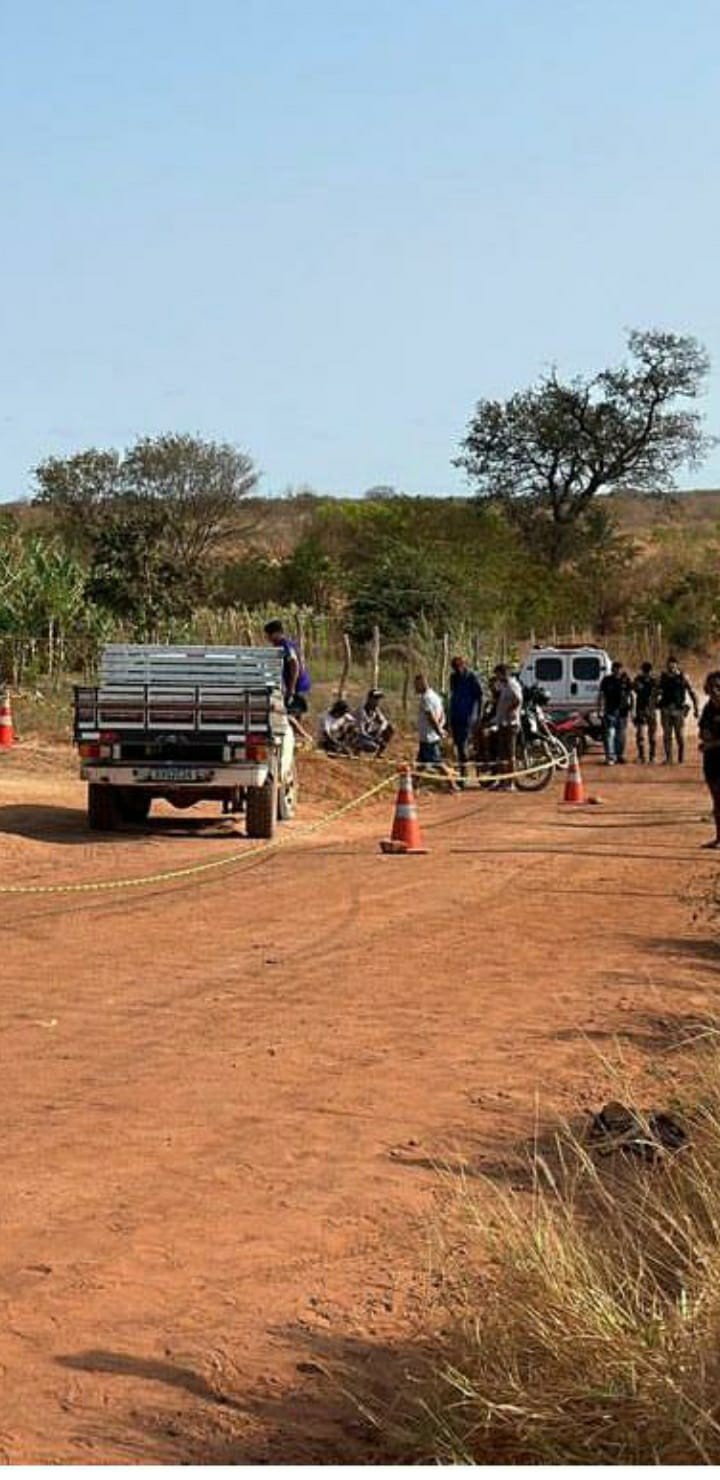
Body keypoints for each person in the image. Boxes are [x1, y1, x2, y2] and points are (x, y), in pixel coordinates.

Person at [264, 619, 313, 740]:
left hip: (298, 685)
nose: (267, 638)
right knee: (293, 714)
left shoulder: (285, 645)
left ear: (277, 633)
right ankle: (299, 739)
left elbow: (294, 665)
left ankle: (306, 737)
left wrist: (291, 689)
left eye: (269, 635)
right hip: (296, 684)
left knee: (288, 713)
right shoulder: (282, 645)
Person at [414, 672, 457, 789]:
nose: (415, 687)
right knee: (421, 764)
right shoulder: (435, 696)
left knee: (437, 762)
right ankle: (413, 785)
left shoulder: (426, 698)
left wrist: (438, 730)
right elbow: (442, 714)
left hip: (429, 737)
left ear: (422, 683)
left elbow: (431, 717)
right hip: (428, 735)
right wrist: (441, 728)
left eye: (416, 685)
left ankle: (452, 783)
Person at [657, 655, 699, 764]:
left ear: (677, 665)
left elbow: (692, 693)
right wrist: (652, 706)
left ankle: (681, 758)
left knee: (679, 735)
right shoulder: (662, 677)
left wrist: (696, 708)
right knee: (667, 735)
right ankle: (669, 758)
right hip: (665, 709)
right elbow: (655, 693)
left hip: (678, 710)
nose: (671, 666)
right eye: (669, 663)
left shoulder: (683, 677)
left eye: (673, 663)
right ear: (667, 665)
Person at [448, 656, 483, 780]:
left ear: (464, 665)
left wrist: (479, 714)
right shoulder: (453, 678)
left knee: (462, 745)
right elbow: (452, 697)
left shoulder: (472, 677)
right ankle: (462, 770)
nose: (457, 670)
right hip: (455, 715)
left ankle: (464, 774)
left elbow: (480, 696)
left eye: (458, 667)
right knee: (457, 745)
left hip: (468, 716)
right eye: (454, 668)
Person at [698, 670, 720, 848]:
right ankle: (719, 838)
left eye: (718, 687)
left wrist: (711, 743)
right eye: (711, 687)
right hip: (711, 760)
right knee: (717, 802)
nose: (715, 691)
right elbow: (703, 732)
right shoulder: (708, 708)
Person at [493, 663, 523, 791]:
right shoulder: (504, 686)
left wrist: (509, 711)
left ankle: (511, 782)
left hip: (511, 724)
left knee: (510, 754)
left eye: (498, 674)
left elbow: (518, 700)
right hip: (502, 724)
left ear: (503, 673)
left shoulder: (512, 685)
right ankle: (502, 781)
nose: (497, 677)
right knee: (502, 754)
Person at [598, 660, 633, 765]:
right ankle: (610, 757)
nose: (617, 671)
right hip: (610, 711)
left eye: (619, 669)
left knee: (621, 735)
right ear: (612, 669)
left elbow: (631, 695)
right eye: (615, 669)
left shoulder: (626, 680)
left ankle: (619, 756)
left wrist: (632, 710)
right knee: (609, 734)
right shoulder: (606, 680)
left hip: (623, 712)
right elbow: (601, 696)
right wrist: (600, 709)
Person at [632, 660, 659, 764]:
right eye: (646, 671)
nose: (646, 673)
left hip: (646, 710)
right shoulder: (651, 680)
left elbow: (660, 692)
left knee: (649, 735)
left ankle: (649, 756)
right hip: (644, 710)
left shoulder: (653, 681)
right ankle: (644, 756)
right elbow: (634, 689)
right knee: (642, 735)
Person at [354, 688, 394, 755]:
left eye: (378, 699)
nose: (377, 701)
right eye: (375, 698)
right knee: (372, 747)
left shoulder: (375, 710)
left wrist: (380, 730)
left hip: (368, 733)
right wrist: (374, 738)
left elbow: (384, 722)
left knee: (389, 729)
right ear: (369, 699)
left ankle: (379, 754)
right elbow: (361, 731)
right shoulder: (361, 711)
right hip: (359, 735)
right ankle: (356, 748)